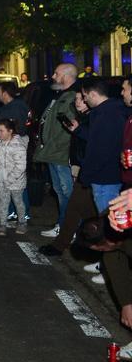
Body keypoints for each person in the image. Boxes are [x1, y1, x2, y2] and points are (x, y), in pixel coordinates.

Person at [68, 76, 130, 217]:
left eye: (84, 96)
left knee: (108, 219)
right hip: (105, 176)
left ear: (93, 94)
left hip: (105, 178)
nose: (84, 100)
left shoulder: (107, 115)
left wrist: (87, 173)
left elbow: (102, 149)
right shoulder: (104, 112)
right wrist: (78, 130)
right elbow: (96, 138)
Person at [33, 64, 79, 239]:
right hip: (53, 152)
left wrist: (52, 145)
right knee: (60, 191)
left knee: (66, 192)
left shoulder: (71, 97)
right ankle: (63, 225)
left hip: (60, 153)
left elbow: (68, 128)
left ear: (66, 76)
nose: (53, 76)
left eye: (56, 73)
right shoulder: (61, 95)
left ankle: (69, 228)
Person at [0, 120, 28, 236]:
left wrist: (9, 179)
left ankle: (22, 222)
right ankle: (3, 224)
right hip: (2, 179)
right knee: (3, 201)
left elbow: (21, 166)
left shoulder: (18, 145)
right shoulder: (0, 142)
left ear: (10, 131)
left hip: (16, 181)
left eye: (1, 131)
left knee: (18, 202)